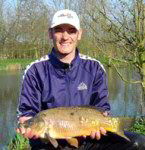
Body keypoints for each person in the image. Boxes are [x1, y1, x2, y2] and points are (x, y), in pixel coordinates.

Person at [16, 9, 139, 150]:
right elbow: (26, 114)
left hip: (88, 139)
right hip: (49, 144)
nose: (65, 36)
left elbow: (102, 108)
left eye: (71, 31)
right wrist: (27, 125)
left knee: (138, 143)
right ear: (50, 33)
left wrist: (101, 124)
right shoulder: (35, 70)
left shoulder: (94, 67)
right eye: (59, 30)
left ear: (79, 34)